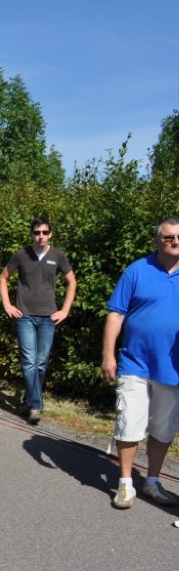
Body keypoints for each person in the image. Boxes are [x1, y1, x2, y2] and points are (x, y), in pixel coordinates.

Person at [101, 215, 179, 509]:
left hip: (173, 369)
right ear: (157, 239)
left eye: (178, 237)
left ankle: (153, 481)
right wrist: (108, 354)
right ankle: (124, 484)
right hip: (134, 362)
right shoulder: (137, 270)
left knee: (163, 428)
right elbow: (116, 314)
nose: (174, 242)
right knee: (129, 423)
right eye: (169, 236)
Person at [0, 217, 77, 425]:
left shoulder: (57, 255)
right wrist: (7, 305)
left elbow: (72, 281)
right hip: (24, 315)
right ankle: (35, 405)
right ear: (31, 234)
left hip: (49, 317)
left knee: (41, 363)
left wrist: (65, 310)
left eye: (44, 232)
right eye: (36, 232)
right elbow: (3, 278)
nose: (40, 236)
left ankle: (30, 397)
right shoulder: (21, 255)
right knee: (29, 361)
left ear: (50, 234)